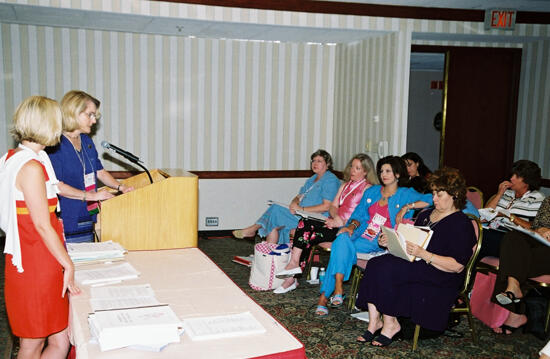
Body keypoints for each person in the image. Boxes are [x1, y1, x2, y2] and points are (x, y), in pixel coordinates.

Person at [354, 167, 477, 347]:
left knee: (388, 270)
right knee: (375, 263)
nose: (434, 199)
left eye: (439, 195)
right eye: (433, 193)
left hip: (441, 272)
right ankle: (375, 322)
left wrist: (423, 254)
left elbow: (457, 266)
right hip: (418, 263)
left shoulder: (461, 224)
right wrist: (392, 242)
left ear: (455, 195)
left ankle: (390, 323)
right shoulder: (426, 214)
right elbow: (410, 244)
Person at [0, 96, 80, 359]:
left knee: (62, 338)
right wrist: (68, 263)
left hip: (44, 257)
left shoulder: (19, 157)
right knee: (32, 344)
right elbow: (42, 225)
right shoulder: (31, 166)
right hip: (35, 262)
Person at [314, 156, 432, 316]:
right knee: (341, 239)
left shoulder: (405, 194)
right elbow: (359, 214)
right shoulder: (372, 191)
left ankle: (325, 296)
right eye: (382, 171)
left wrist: (407, 206)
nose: (384, 174)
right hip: (360, 235)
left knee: (338, 246)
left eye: (388, 171)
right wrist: (350, 226)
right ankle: (339, 287)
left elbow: (431, 199)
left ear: (397, 174)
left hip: (379, 241)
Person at [273, 153, 378, 294]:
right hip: (334, 222)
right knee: (306, 222)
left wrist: (342, 222)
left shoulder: (368, 189)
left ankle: (292, 275)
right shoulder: (345, 185)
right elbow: (333, 206)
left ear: (365, 171)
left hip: (347, 229)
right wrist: (336, 218)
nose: (352, 170)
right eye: (352, 166)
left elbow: (364, 216)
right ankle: (293, 267)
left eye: (358, 168)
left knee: (308, 236)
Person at [47, 90, 133, 243]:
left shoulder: (86, 141)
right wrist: (93, 196)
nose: (94, 121)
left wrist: (121, 187)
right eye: (90, 115)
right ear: (73, 113)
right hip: (67, 218)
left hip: (89, 214)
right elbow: (57, 186)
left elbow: (99, 171)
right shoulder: (55, 144)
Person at [232, 149, 340, 244]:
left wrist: (302, 209)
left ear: (328, 164)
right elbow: (299, 196)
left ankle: (253, 229)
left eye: (319, 161)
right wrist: (294, 202)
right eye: (313, 161)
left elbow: (327, 206)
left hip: (315, 219)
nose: (315, 163)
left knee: (275, 210)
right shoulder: (312, 179)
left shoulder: (331, 180)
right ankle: (270, 258)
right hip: (301, 214)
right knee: (274, 224)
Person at [491, 196, 550, 335]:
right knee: (513, 237)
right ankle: (513, 287)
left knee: (517, 258)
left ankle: (514, 309)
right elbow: (536, 225)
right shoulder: (549, 201)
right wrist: (541, 230)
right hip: (541, 242)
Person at [478, 160, 545, 259]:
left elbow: (536, 228)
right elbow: (484, 214)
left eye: (516, 176)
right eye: (512, 175)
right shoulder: (506, 193)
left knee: (476, 238)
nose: (511, 178)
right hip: (493, 231)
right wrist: (499, 194)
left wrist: (509, 216)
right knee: (471, 232)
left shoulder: (538, 199)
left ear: (527, 181)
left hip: (512, 239)